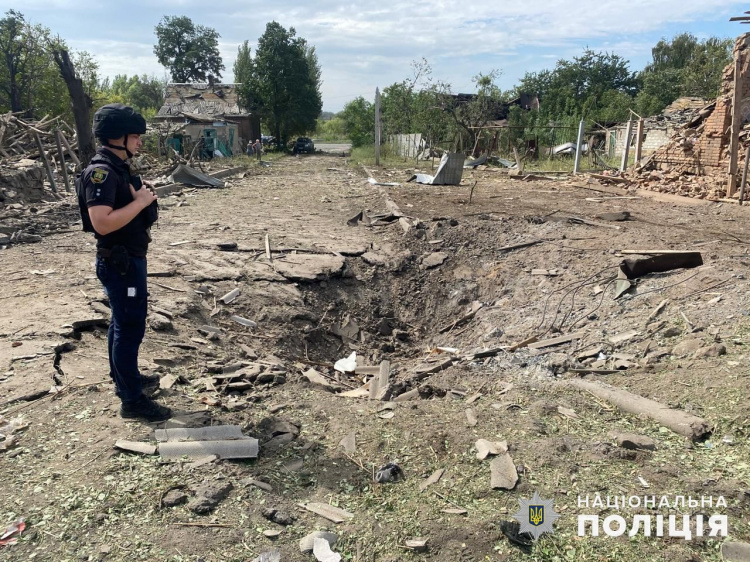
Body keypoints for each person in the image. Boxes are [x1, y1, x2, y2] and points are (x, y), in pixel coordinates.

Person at [82, 103, 171, 422]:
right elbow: (101, 222)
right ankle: (131, 400)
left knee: (123, 323)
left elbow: (134, 197)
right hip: (120, 263)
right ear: (117, 137)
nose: (140, 141)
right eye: (135, 136)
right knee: (130, 327)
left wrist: (144, 196)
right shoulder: (101, 171)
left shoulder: (122, 165)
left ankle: (124, 376)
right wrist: (142, 202)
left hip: (131, 258)